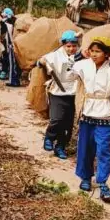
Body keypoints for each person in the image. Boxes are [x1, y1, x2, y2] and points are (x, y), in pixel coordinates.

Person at [71, 37, 110, 202]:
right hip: (87, 111)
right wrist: (78, 56)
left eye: (98, 51)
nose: (94, 54)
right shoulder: (84, 65)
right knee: (85, 146)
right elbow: (68, 71)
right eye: (92, 51)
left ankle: (103, 182)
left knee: (103, 150)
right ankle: (85, 177)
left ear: (106, 53)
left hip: (106, 112)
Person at [38, 31, 80, 159]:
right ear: (63, 45)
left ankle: (60, 146)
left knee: (67, 124)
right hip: (57, 92)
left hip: (73, 92)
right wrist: (43, 62)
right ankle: (49, 138)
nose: (71, 49)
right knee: (56, 119)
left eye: (74, 46)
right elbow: (40, 61)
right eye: (68, 46)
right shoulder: (55, 55)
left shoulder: (79, 57)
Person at [0, 7, 20, 87]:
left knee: (12, 64)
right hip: (11, 45)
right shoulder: (12, 24)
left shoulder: (8, 25)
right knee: (13, 64)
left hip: (10, 45)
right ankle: (14, 80)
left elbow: (6, 37)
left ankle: (14, 81)